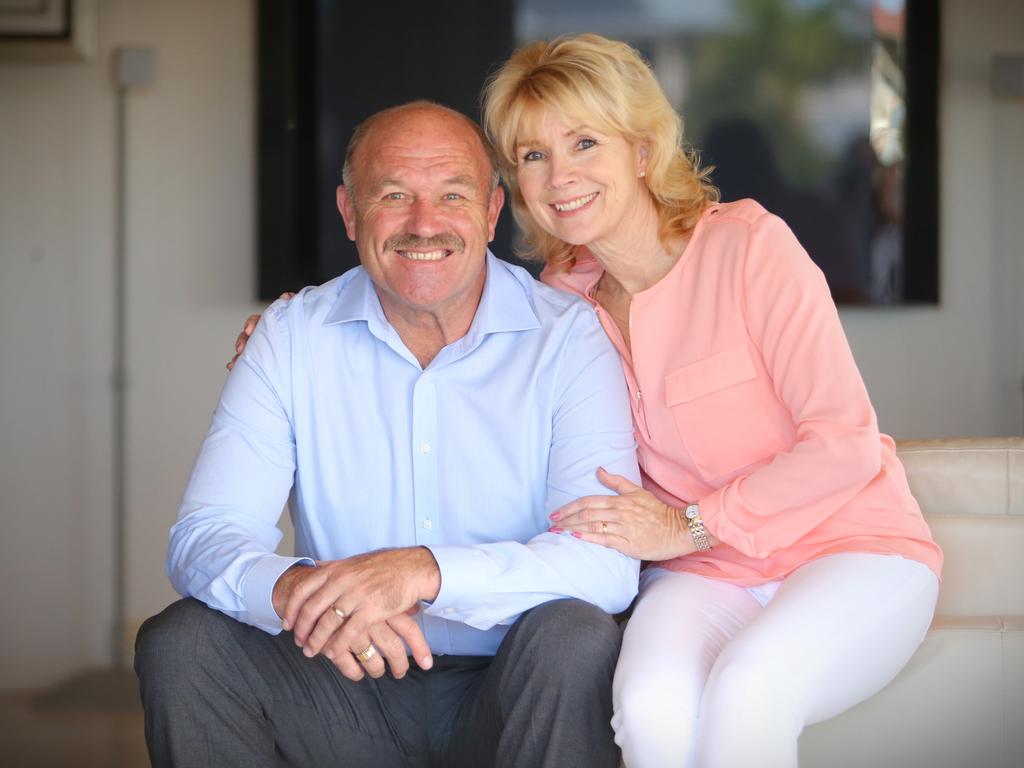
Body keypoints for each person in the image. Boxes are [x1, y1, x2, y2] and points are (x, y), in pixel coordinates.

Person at [478, 34, 943, 768]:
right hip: (703, 574)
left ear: (639, 150)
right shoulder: (556, 302)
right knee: (649, 709)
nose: (559, 175)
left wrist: (687, 525)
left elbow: (844, 444)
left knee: (749, 691)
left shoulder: (751, 247)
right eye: (533, 155)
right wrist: (301, 327)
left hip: (851, 546)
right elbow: (463, 362)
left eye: (584, 142)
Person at [135, 100, 642, 768]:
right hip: (340, 682)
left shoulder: (569, 340)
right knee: (183, 643)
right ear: (350, 212)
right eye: (394, 195)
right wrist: (299, 592)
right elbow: (205, 535)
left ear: (492, 213)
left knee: (576, 633)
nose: (424, 224)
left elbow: (604, 565)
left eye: (452, 195)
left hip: (511, 683)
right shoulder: (290, 339)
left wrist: (425, 571)